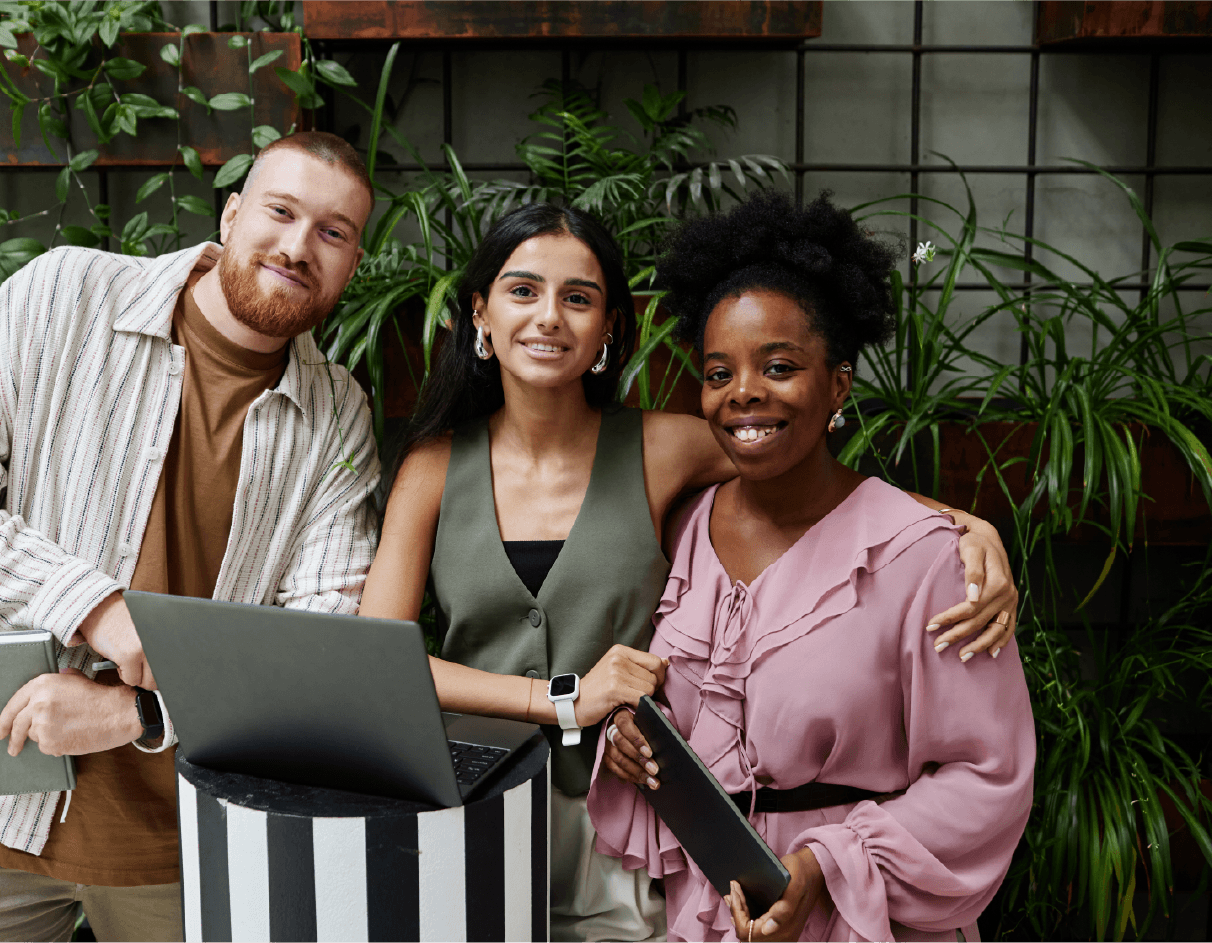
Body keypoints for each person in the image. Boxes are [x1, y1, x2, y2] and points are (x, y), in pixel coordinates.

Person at [359, 203, 1020, 942]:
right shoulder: (432, 465)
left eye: (577, 297)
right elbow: (379, 664)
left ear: (610, 325)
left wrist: (964, 525)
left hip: (622, 835)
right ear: (480, 311)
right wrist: (565, 700)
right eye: (522, 291)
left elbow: (801, 469)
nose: (548, 317)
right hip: (470, 809)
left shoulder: (664, 448)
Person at [0, 132, 380, 942]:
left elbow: (318, 642)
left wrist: (139, 711)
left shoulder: (339, 417)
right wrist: (96, 606)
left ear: (353, 261)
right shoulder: (64, 294)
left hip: (186, 840)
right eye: (281, 211)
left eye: (333, 232)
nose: (297, 246)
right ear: (233, 210)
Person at [592, 190, 1037, 943]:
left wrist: (827, 863)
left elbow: (987, 774)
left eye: (779, 365)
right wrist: (632, 740)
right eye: (718, 370)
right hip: (714, 914)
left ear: (838, 385)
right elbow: (696, 717)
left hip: (860, 919)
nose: (744, 394)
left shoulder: (926, 556)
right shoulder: (685, 525)